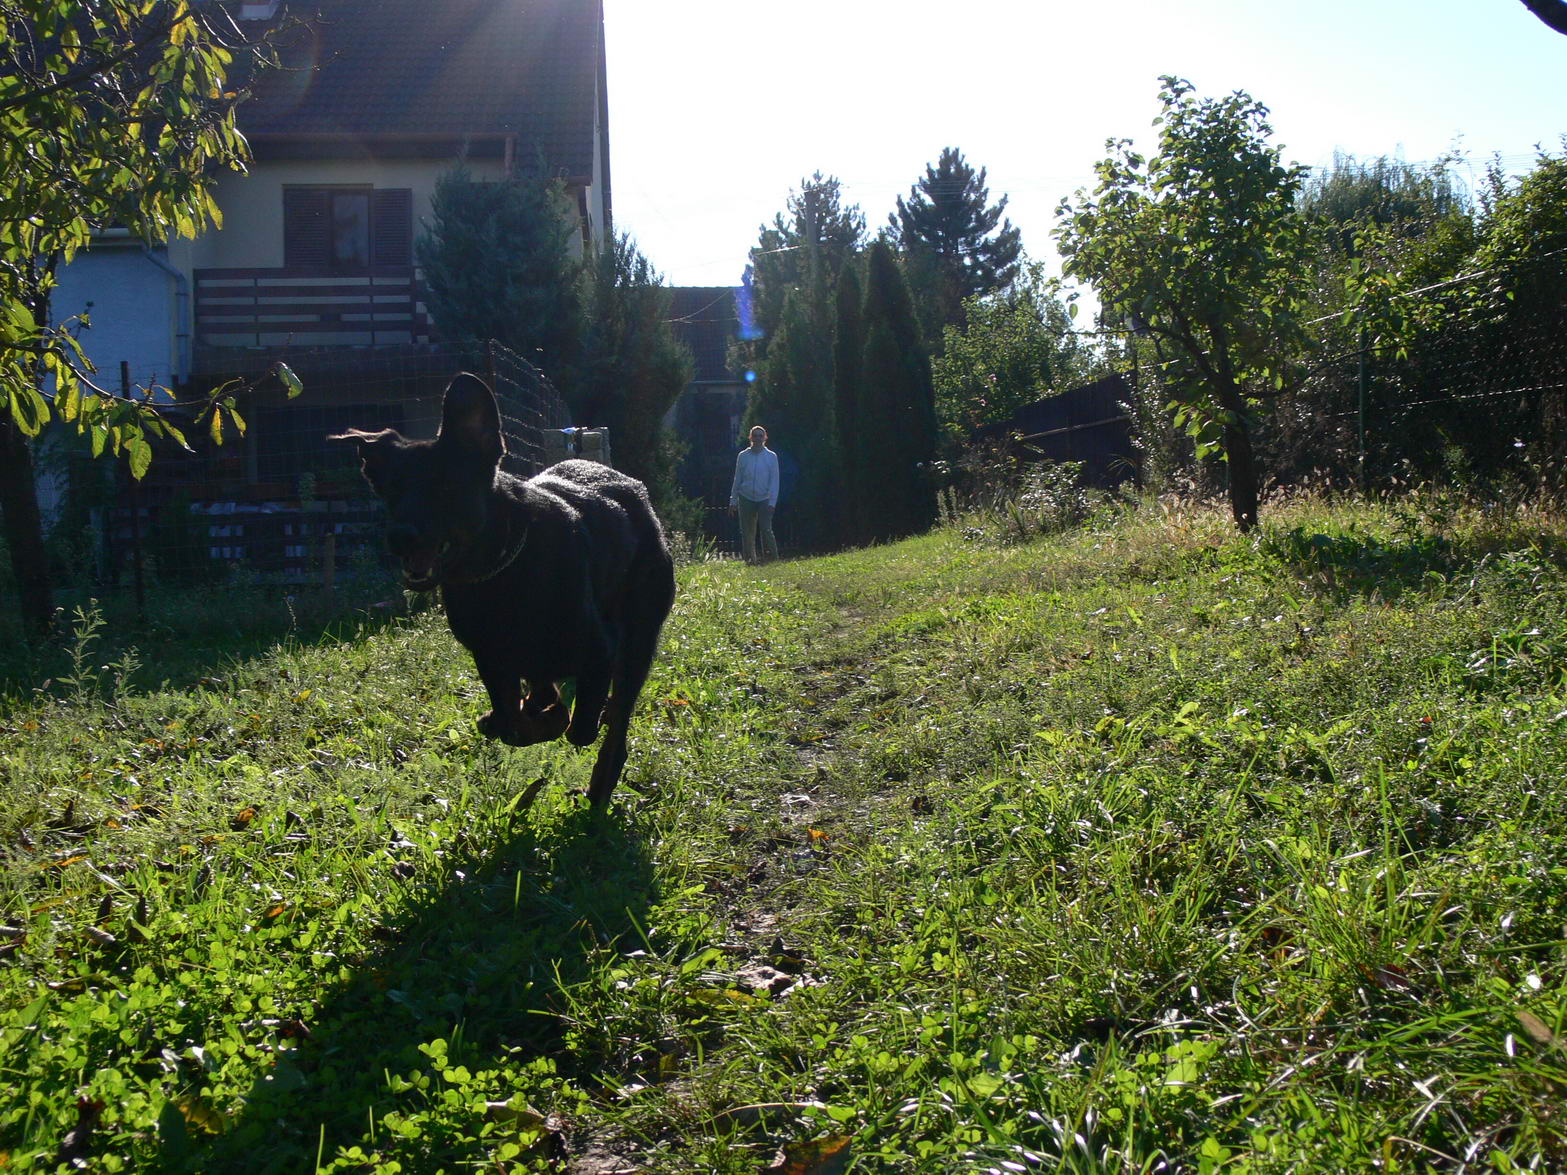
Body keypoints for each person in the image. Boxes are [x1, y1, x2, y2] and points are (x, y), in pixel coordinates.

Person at [729, 425, 779, 564]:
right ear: (750, 437)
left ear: (765, 438)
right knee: (747, 531)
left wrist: (772, 502)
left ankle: (771, 559)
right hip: (746, 497)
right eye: (755, 435)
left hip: (765, 498)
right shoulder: (743, 456)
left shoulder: (771, 456)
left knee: (766, 529)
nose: (757, 438)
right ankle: (750, 560)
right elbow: (737, 478)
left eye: (760, 436)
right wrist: (733, 500)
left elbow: (775, 481)